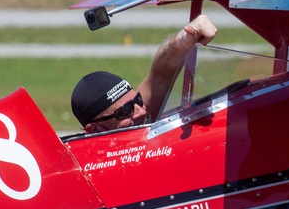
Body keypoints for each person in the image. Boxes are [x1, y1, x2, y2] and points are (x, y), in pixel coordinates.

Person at [71, 14, 217, 133]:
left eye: (138, 100)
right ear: (94, 130)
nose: (141, 112)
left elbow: (161, 75)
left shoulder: (139, 115)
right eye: (124, 111)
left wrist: (182, 41)